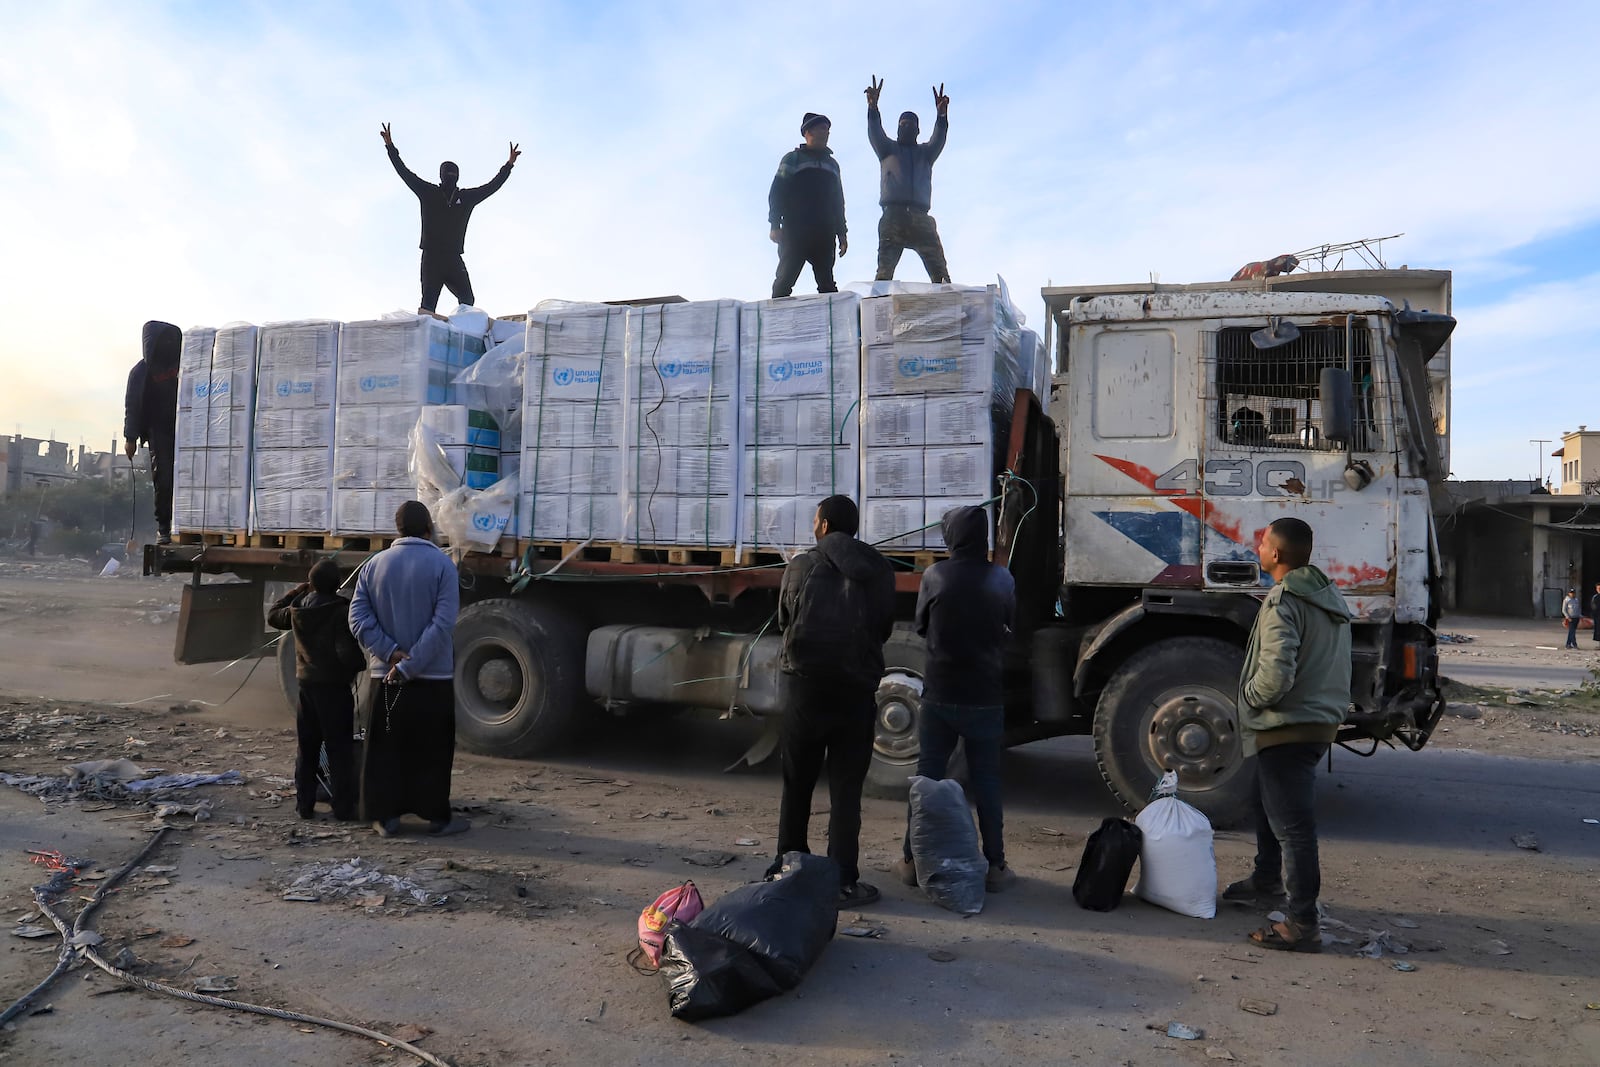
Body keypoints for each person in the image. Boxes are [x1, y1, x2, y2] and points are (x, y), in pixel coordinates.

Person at [1223, 517, 1352, 953]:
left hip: (1287, 724)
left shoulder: (1283, 600)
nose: (1257, 549)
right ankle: (1265, 880)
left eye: (1262, 543)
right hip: (1315, 722)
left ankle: (1302, 923)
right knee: (1268, 802)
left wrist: (1249, 699)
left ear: (1276, 554)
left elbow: (1276, 674)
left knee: (1293, 827)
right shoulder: (1325, 595)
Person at [768, 495, 896, 906]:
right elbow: (884, 627)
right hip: (855, 691)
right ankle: (842, 880)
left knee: (798, 782)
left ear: (823, 526)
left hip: (805, 689)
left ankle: (788, 866)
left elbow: (785, 620)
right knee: (845, 791)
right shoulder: (879, 570)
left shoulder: (801, 565)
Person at [894, 506, 1017, 893]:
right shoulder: (1002, 578)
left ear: (951, 537)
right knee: (987, 783)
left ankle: (912, 861)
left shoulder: (935, 575)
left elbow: (920, 625)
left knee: (927, 777)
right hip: (985, 696)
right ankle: (995, 865)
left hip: (940, 694)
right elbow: (1009, 627)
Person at [348, 501, 465, 837]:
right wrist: (412, 664)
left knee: (385, 748)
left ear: (396, 529)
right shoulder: (443, 566)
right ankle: (436, 817)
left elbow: (357, 618)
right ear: (429, 528)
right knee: (432, 749)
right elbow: (442, 623)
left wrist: (390, 653)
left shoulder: (373, 566)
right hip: (433, 677)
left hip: (384, 677)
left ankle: (385, 818)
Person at [381, 123, 519, 314]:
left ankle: (463, 330)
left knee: (467, 299)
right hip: (431, 258)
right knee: (428, 303)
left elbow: (491, 187)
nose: (451, 176)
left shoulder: (466, 198)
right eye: (448, 173)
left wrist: (509, 165)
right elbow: (404, 173)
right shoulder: (429, 192)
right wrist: (390, 146)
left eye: (453, 173)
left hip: (453, 258)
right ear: (442, 175)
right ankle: (427, 335)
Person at [267, 560, 365, 821]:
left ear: (311, 584)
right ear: (337, 585)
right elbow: (347, 654)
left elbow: (273, 614)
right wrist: (359, 664)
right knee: (339, 750)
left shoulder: (297, 609)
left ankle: (305, 805)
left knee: (307, 749)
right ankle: (343, 808)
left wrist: (297, 591)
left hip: (306, 690)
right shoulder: (340, 610)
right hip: (335, 691)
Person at [865, 76, 951, 284]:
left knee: (940, 276)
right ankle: (878, 310)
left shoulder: (926, 153)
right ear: (897, 128)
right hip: (893, 216)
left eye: (910, 124)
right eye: (902, 124)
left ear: (918, 130)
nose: (906, 127)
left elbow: (939, 138)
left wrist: (941, 116)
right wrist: (873, 108)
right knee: (884, 273)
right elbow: (875, 131)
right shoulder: (887, 149)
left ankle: (949, 309)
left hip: (921, 217)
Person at [767, 113, 848, 298]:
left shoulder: (832, 165)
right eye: (821, 128)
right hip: (796, 230)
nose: (826, 133)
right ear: (808, 132)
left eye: (828, 130)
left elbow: (838, 201)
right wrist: (774, 225)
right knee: (784, 280)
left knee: (827, 284)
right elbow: (777, 192)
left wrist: (842, 233)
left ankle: (832, 324)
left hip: (825, 233)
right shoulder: (792, 159)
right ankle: (777, 323)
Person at [122, 321, 183, 544]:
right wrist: (130, 437)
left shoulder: (183, 365)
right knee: (164, 477)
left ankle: (186, 522)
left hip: (185, 429)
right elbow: (133, 405)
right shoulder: (141, 371)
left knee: (186, 477)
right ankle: (165, 528)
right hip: (159, 429)